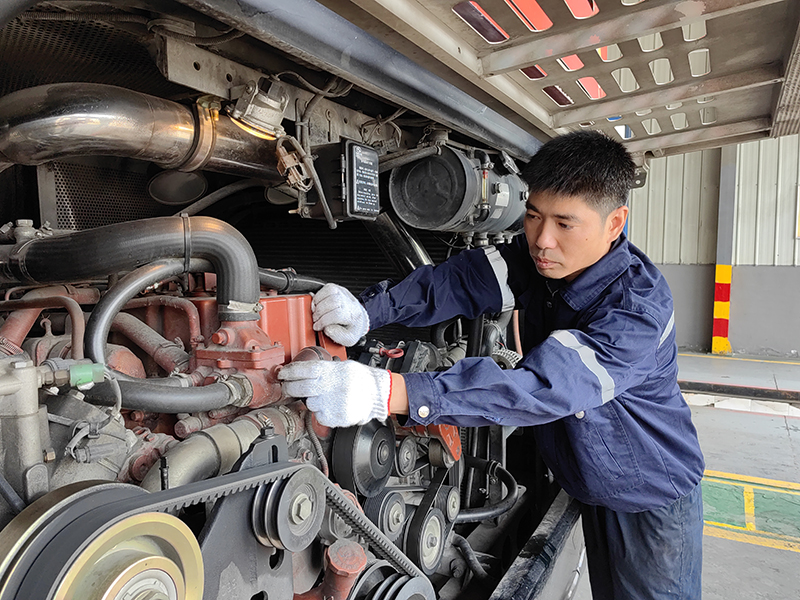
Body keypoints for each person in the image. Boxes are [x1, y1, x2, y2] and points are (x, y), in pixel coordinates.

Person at [279, 130, 705, 600]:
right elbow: (458, 282)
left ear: (614, 223)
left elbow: (542, 386)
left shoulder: (635, 311)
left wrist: (391, 392)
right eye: (533, 216)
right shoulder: (540, 260)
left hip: (649, 498)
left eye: (565, 224)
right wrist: (368, 311)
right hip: (589, 478)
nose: (542, 240)